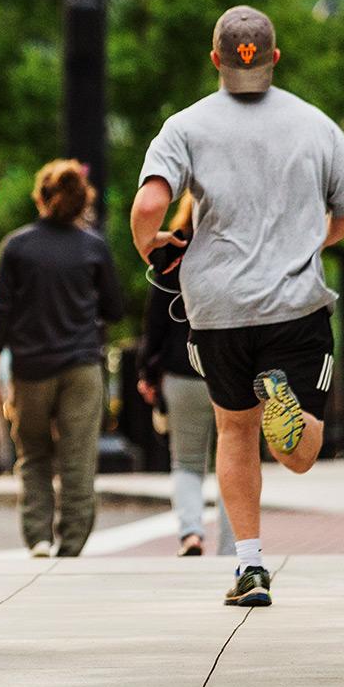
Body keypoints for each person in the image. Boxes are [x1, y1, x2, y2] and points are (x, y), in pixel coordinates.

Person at [129, 5, 344, 609]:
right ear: (275, 58)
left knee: (232, 433)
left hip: (218, 308)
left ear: (215, 60)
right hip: (294, 303)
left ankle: (250, 565)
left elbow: (147, 207)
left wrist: (150, 247)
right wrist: (312, 239)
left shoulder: (184, 126)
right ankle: (282, 401)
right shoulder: (316, 125)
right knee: (301, 455)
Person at [0, 160, 122, 558]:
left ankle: (39, 536)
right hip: (82, 366)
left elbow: (3, 314)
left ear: (41, 197)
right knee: (78, 458)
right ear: (82, 201)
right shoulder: (94, 246)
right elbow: (114, 309)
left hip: (31, 368)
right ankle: (72, 544)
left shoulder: (17, 246)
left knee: (33, 454)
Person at [134, 192, 238, 557]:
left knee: (187, 461)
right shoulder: (236, 253)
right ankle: (232, 544)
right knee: (235, 455)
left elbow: (155, 321)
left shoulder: (173, 256)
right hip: (228, 370)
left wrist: (147, 371)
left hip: (180, 372)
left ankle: (191, 533)